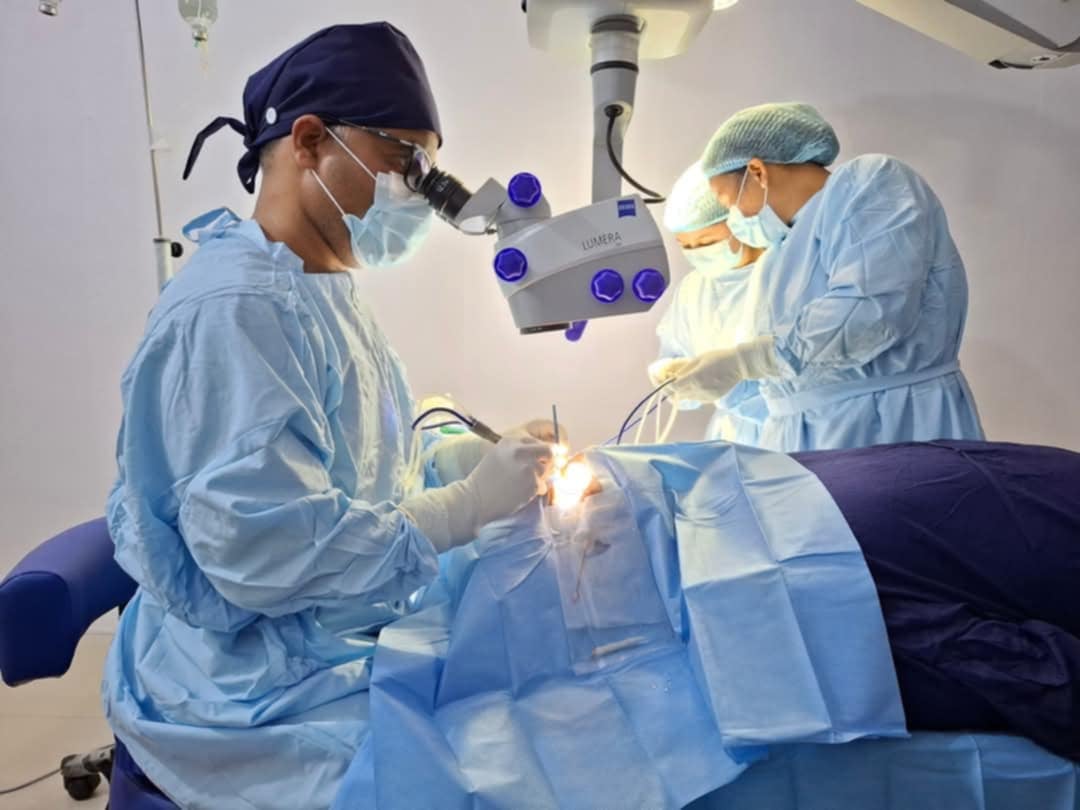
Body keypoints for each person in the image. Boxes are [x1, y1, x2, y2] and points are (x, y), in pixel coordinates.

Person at [102, 24, 559, 810]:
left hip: (329, 626)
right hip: (252, 687)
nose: (417, 194)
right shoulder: (235, 309)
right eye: (405, 163)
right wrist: (464, 507)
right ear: (311, 140)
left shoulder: (317, 286)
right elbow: (266, 553)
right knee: (483, 779)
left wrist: (450, 461)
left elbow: (351, 464)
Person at [657, 103, 984, 452]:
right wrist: (704, 376)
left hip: (891, 424)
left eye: (729, 203)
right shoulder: (780, 252)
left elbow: (868, 316)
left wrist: (742, 362)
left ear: (757, 172)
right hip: (805, 437)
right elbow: (789, 369)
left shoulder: (870, 184)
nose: (736, 217)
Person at [649, 162, 767, 444]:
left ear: (740, 223)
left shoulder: (778, 272)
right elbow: (676, 351)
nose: (695, 252)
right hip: (729, 437)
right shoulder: (694, 288)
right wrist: (672, 375)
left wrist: (736, 384)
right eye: (684, 245)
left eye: (705, 242)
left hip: (788, 431)